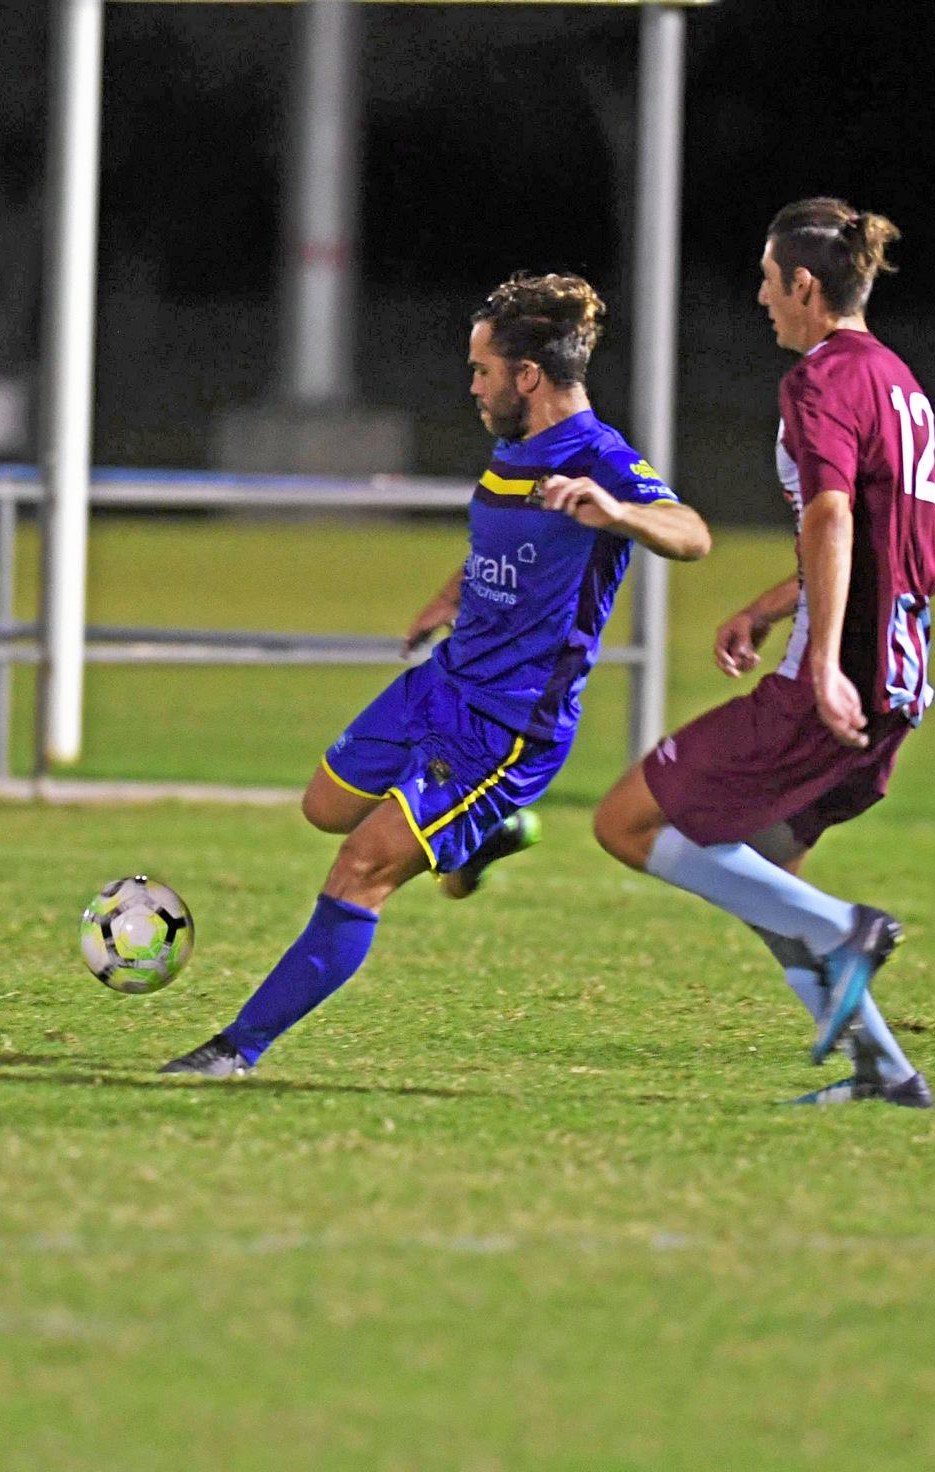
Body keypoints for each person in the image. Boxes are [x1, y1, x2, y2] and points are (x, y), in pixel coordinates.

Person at [159, 272, 712, 1077]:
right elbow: (505, 547)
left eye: (484, 369)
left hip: (506, 726)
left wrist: (621, 512)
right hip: (442, 680)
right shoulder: (512, 449)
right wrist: (449, 596)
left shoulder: (602, 460)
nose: (474, 384)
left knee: (361, 869)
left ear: (529, 376)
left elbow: (690, 534)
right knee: (326, 807)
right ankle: (483, 838)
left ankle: (236, 1049)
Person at [591, 199, 935, 1108]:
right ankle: (883, 1071)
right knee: (754, 871)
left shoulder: (821, 380)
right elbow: (874, 536)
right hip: (900, 672)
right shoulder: (899, 381)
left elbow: (830, 516)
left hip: (843, 678)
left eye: (767, 279)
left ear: (806, 285)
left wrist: (817, 661)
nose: (760, 297)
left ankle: (845, 929)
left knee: (626, 821)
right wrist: (772, 606)